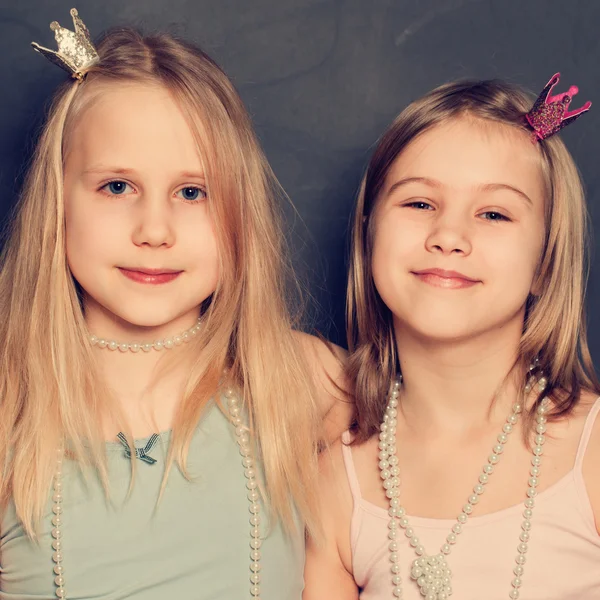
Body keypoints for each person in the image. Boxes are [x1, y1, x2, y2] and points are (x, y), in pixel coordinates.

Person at [0, 9, 348, 599]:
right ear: (57, 204)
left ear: (239, 212)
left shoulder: (299, 378)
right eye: (117, 187)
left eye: (192, 192)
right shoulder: (13, 399)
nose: (155, 230)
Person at [304, 74, 600, 599]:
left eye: (494, 213)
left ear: (544, 263)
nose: (447, 236)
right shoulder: (335, 487)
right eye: (419, 203)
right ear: (370, 233)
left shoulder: (593, 451)